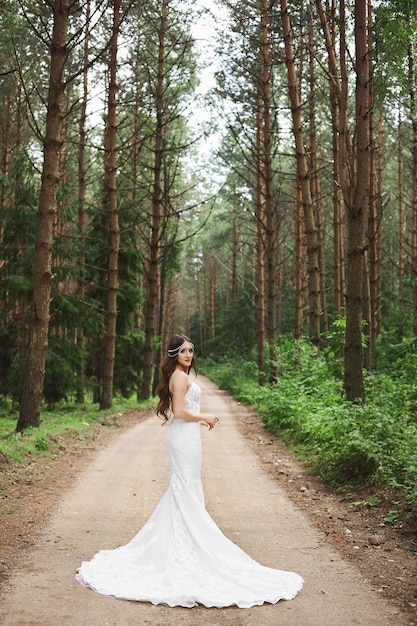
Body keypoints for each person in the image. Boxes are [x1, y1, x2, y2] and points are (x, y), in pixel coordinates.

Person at [75, 333, 304, 607]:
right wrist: (205, 416)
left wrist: (201, 421)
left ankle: (186, 541)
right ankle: (186, 545)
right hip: (183, 437)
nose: (188, 355)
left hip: (189, 437)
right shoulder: (180, 378)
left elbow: (185, 411)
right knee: (183, 489)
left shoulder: (181, 376)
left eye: (191, 350)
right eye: (183, 351)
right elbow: (180, 411)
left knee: (187, 489)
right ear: (174, 354)